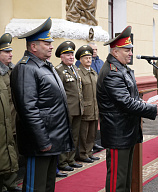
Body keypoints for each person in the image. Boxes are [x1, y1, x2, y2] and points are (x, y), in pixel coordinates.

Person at [97, 26, 158, 192]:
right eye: (127, 50)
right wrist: (152, 110)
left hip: (126, 131)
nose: (130, 53)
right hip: (117, 133)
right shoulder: (112, 72)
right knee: (117, 181)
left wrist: (150, 105)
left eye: (130, 49)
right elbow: (126, 102)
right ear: (115, 52)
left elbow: (131, 98)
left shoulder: (122, 69)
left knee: (126, 178)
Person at [10, 17, 74, 192]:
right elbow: (28, 109)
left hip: (52, 139)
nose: (51, 46)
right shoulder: (26, 68)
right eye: (46, 43)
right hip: (39, 143)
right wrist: (43, 141)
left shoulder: (44, 66)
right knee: (35, 187)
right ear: (33, 46)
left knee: (47, 186)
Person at [55, 41, 83, 171]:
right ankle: (63, 162)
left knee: (74, 135)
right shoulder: (59, 70)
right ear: (61, 57)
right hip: (66, 110)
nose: (71, 57)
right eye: (67, 55)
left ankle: (71, 159)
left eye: (72, 54)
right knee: (65, 136)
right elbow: (58, 92)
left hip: (77, 108)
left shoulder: (75, 69)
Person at [0, 34, 19, 192]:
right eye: (6, 52)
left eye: (11, 51)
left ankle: (11, 183)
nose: (11, 54)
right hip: (3, 121)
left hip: (13, 119)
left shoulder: (13, 69)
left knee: (12, 151)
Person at [76, 45, 100, 163]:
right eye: (86, 58)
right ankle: (82, 154)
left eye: (90, 58)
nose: (89, 60)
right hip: (85, 108)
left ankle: (89, 152)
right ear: (80, 60)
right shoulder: (78, 73)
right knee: (83, 133)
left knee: (92, 133)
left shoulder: (93, 72)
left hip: (95, 107)